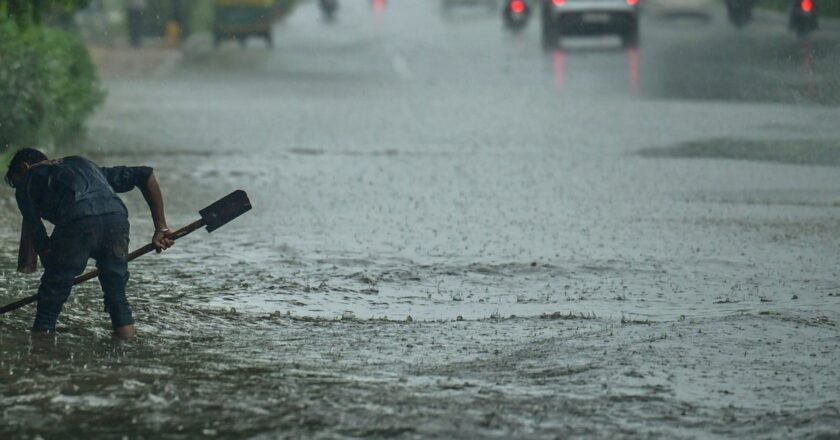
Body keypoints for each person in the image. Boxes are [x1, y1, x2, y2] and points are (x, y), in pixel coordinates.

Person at [4, 148, 174, 338]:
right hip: (116, 220)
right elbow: (145, 174)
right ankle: (126, 354)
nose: (17, 187)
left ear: (23, 167)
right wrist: (161, 228)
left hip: (77, 222)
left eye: (15, 182)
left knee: (49, 306)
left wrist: (57, 273)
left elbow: (40, 239)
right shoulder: (83, 164)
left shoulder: (26, 182)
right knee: (117, 296)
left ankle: (40, 358)